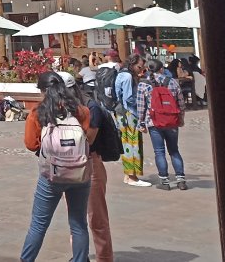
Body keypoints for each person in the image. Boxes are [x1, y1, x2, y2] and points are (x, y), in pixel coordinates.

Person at [19, 72, 94, 262]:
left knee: (38, 225)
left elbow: (30, 144)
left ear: (43, 90)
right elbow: (88, 138)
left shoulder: (38, 113)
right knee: (78, 224)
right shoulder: (81, 110)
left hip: (51, 175)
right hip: (80, 174)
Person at [68, 72, 117, 262]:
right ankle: (79, 256)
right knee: (75, 216)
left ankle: (105, 257)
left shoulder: (91, 107)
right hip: (70, 165)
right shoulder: (64, 107)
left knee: (96, 216)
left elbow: (88, 139)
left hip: (91, 163)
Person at [137, 58, 187, 191]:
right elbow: (181, 102)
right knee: (174, 150)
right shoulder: (172, 82)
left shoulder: (143, 85)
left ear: (148, 69)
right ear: (162, 69)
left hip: (154, 122)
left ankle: (164, 181)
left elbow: (141, 106)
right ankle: (181, 180)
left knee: (159, 152)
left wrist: (141, 123)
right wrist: (181, 118)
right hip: (172, 122)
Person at [115, 54, 151, 187]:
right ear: (132, 64)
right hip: (130, 113)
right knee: (133, 143)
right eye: (139, 66)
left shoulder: (121, 74)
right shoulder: (128, 76)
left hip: (122, 113)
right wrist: (141, 103)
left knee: (127, 144)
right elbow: (129, 97)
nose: (140, 69)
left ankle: (128, 174)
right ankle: (132, 176)